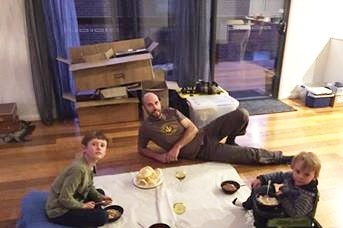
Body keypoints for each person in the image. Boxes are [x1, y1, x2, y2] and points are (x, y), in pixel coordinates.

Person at [138, 92, 293, 164]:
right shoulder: (146, 128)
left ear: (160, 102)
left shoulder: (171, 111)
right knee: (248, 154)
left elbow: (192, 128)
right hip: (202, 151)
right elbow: (141, 149)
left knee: (242, 114)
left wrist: (176, 147)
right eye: (150, 105)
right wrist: (160, 157)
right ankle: (281, 158)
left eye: (156, 103)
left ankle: (231, 140)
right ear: (144, 107)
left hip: (205, 132)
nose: (154, 107)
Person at [232, 151, 321, 228]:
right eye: (297, 171)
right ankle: (247, 205)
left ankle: (259, 224)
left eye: (306, 175)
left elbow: (295, 214)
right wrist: (262, 179)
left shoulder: (306, 196)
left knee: (266, 218)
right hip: (284, 203)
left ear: (314, 176)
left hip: (296, 221)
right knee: (260, 189)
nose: (300, 176)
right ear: (293, 168)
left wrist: (281, 197)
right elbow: (279, 175)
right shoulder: (291, 176)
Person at [46, 131, 112, 227]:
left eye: (102, 145)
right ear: (84, 148)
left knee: (100, 192)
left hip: (74, 198)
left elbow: (89, 186)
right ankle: (94, 213)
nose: (99, 148)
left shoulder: (91, 164)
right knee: (102, 217)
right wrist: (83, 206)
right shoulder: (78, 169)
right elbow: (64, 198)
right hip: (59, 210)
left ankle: (93, 210)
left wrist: (100, 198)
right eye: (94, 144)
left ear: (105, 151)